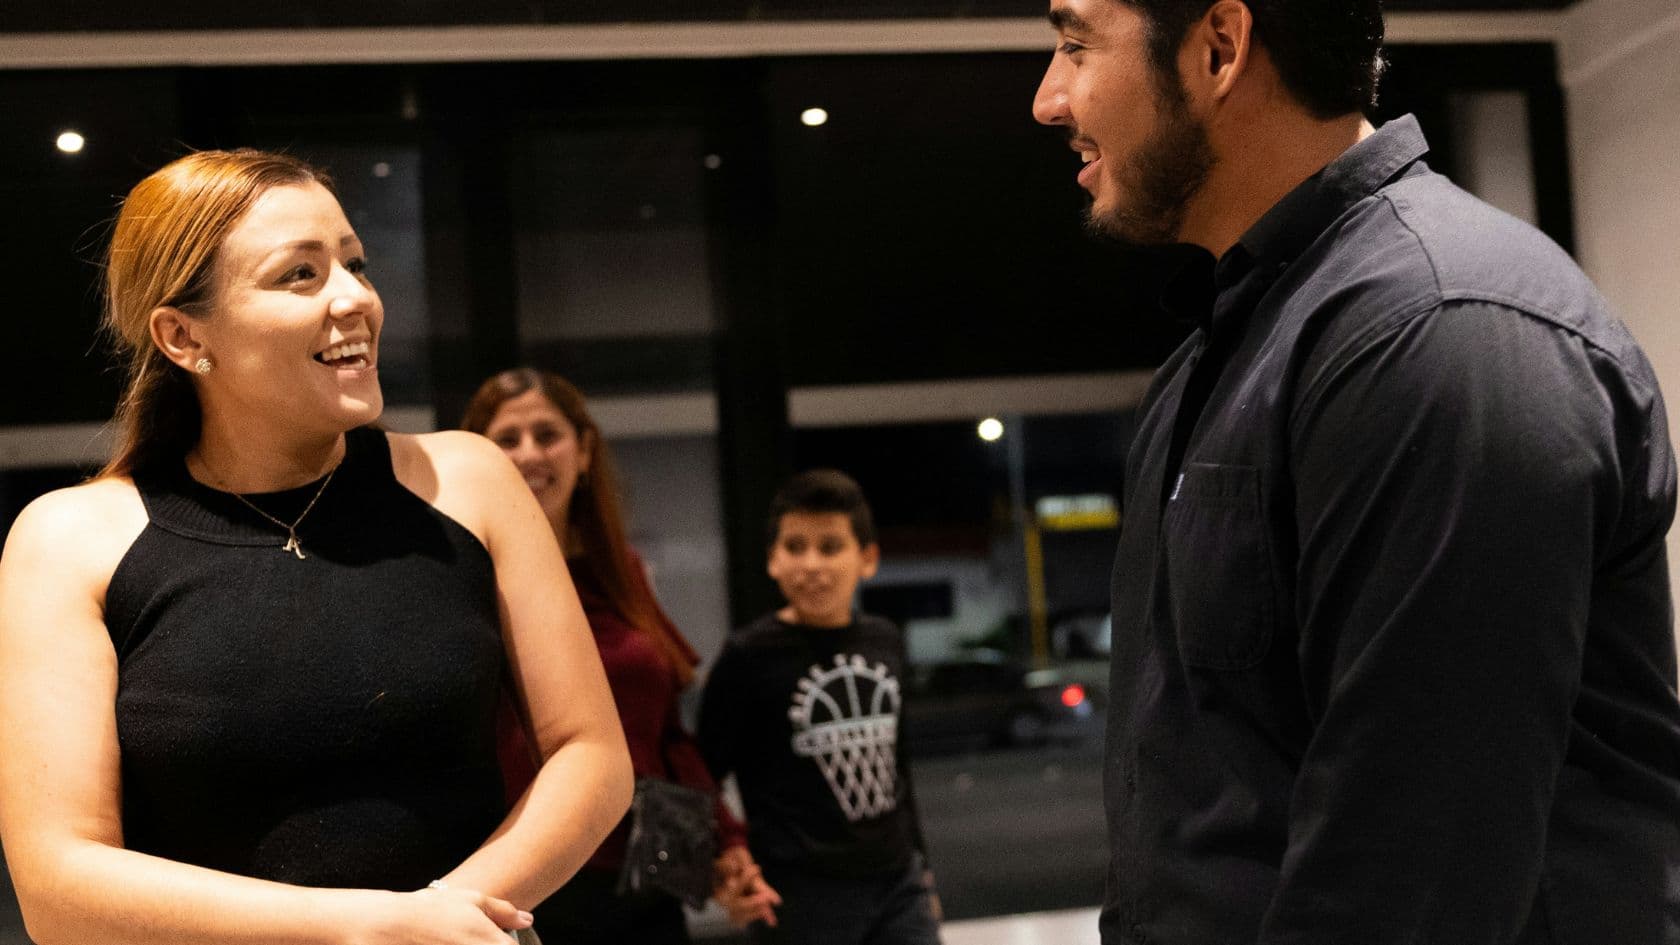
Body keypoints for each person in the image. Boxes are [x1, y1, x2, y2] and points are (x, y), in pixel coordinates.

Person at [1033, 1, 1680, 943]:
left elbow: (1412, 873)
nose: (1049, 99)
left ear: (1220, 46)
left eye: (1076, 44)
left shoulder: (1443, 330)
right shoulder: (1221, 356)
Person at [0, 150, 634, 945]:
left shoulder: (465, 480)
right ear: (183, 336)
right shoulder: (70, 540)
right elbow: (60, 884)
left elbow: (591, 754)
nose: (356, 298)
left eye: (355, 264)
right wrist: (367, 926)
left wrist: (440, 919)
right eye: (300, 275)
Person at [461, 367, 781, 943]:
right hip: (532, 886)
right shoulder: (463, 587)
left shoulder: (622, 574)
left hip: (645, 881)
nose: (529, 453)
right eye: (506, 439)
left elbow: (668, 738)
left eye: (546, 434)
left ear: (583, 452)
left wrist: (725, 842)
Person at [698, 469, 941, 945]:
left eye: (830, 547)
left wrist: (923, 870)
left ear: (866, 559)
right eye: (794, 547)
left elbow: (898, 769)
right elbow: (702, 774)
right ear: (772, 559)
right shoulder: (748, 656)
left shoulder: (885, 640)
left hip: (897, 886)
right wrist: (724, 864)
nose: (811, 564)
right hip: (798, 896)